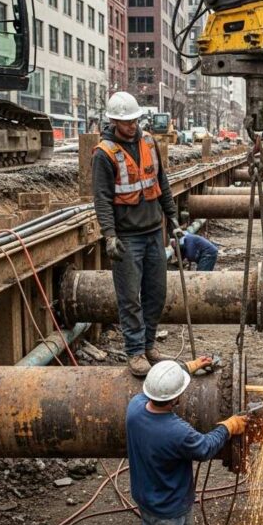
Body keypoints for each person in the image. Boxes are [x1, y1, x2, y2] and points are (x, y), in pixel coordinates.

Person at [94, 92, 181, 377]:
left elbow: (162, 183)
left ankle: (149, 344)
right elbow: (102, 199)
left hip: (154, 230)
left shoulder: (148, 142)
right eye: (125, 122)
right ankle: (134, 352)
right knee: (130, 298)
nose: (131, 126)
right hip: (128, 237)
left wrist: (172, 217)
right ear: (114, 121)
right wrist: (109, 235)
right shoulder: (104, 154)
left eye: (133, 120)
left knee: (156, 293)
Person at [126, 359, 248, 525]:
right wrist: (228, 427)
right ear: (176, 398)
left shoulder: (134, 407)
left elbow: (157, 388)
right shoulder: (177, 432)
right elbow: (205, 448)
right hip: (171, 509)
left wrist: (187, 368)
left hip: (144, 501)